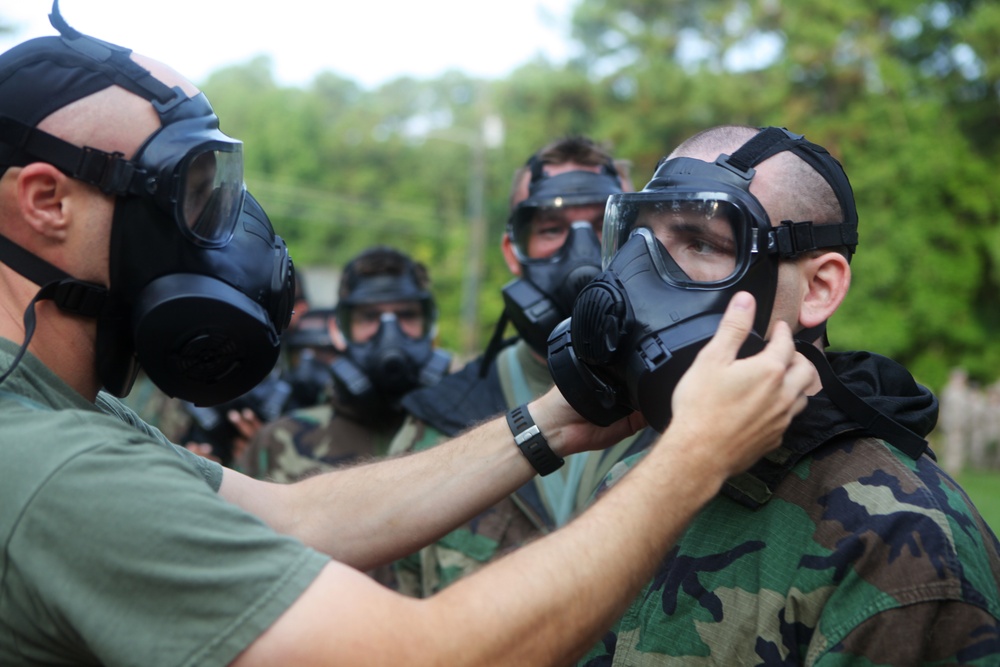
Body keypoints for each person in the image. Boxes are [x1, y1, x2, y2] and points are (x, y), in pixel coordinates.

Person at [0, 12, 815, 666]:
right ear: (46, 201)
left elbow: (290, 519)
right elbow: (426, 651)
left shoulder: (63, 417)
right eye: (188, 193)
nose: (217, 234)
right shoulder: (51, 468)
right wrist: (694, 456)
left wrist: (553, 422)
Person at [554, 125, 1000, 665]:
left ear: (818, 289)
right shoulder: (639, 472)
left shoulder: (902, 543)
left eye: (701, 243)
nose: (636, 278)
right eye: (639, 240)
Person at [389, 136, 654, 596]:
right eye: (551, 229)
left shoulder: (695, 405)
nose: (582, 256)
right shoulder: (437, 423)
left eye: (602, 225)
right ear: (513, 252)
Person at [240, 245, 451, 485]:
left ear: (431, 325)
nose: (390, 335)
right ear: (337, 329)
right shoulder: (277, 443)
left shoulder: (470, 434)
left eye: (407, 315)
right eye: (369, 317)